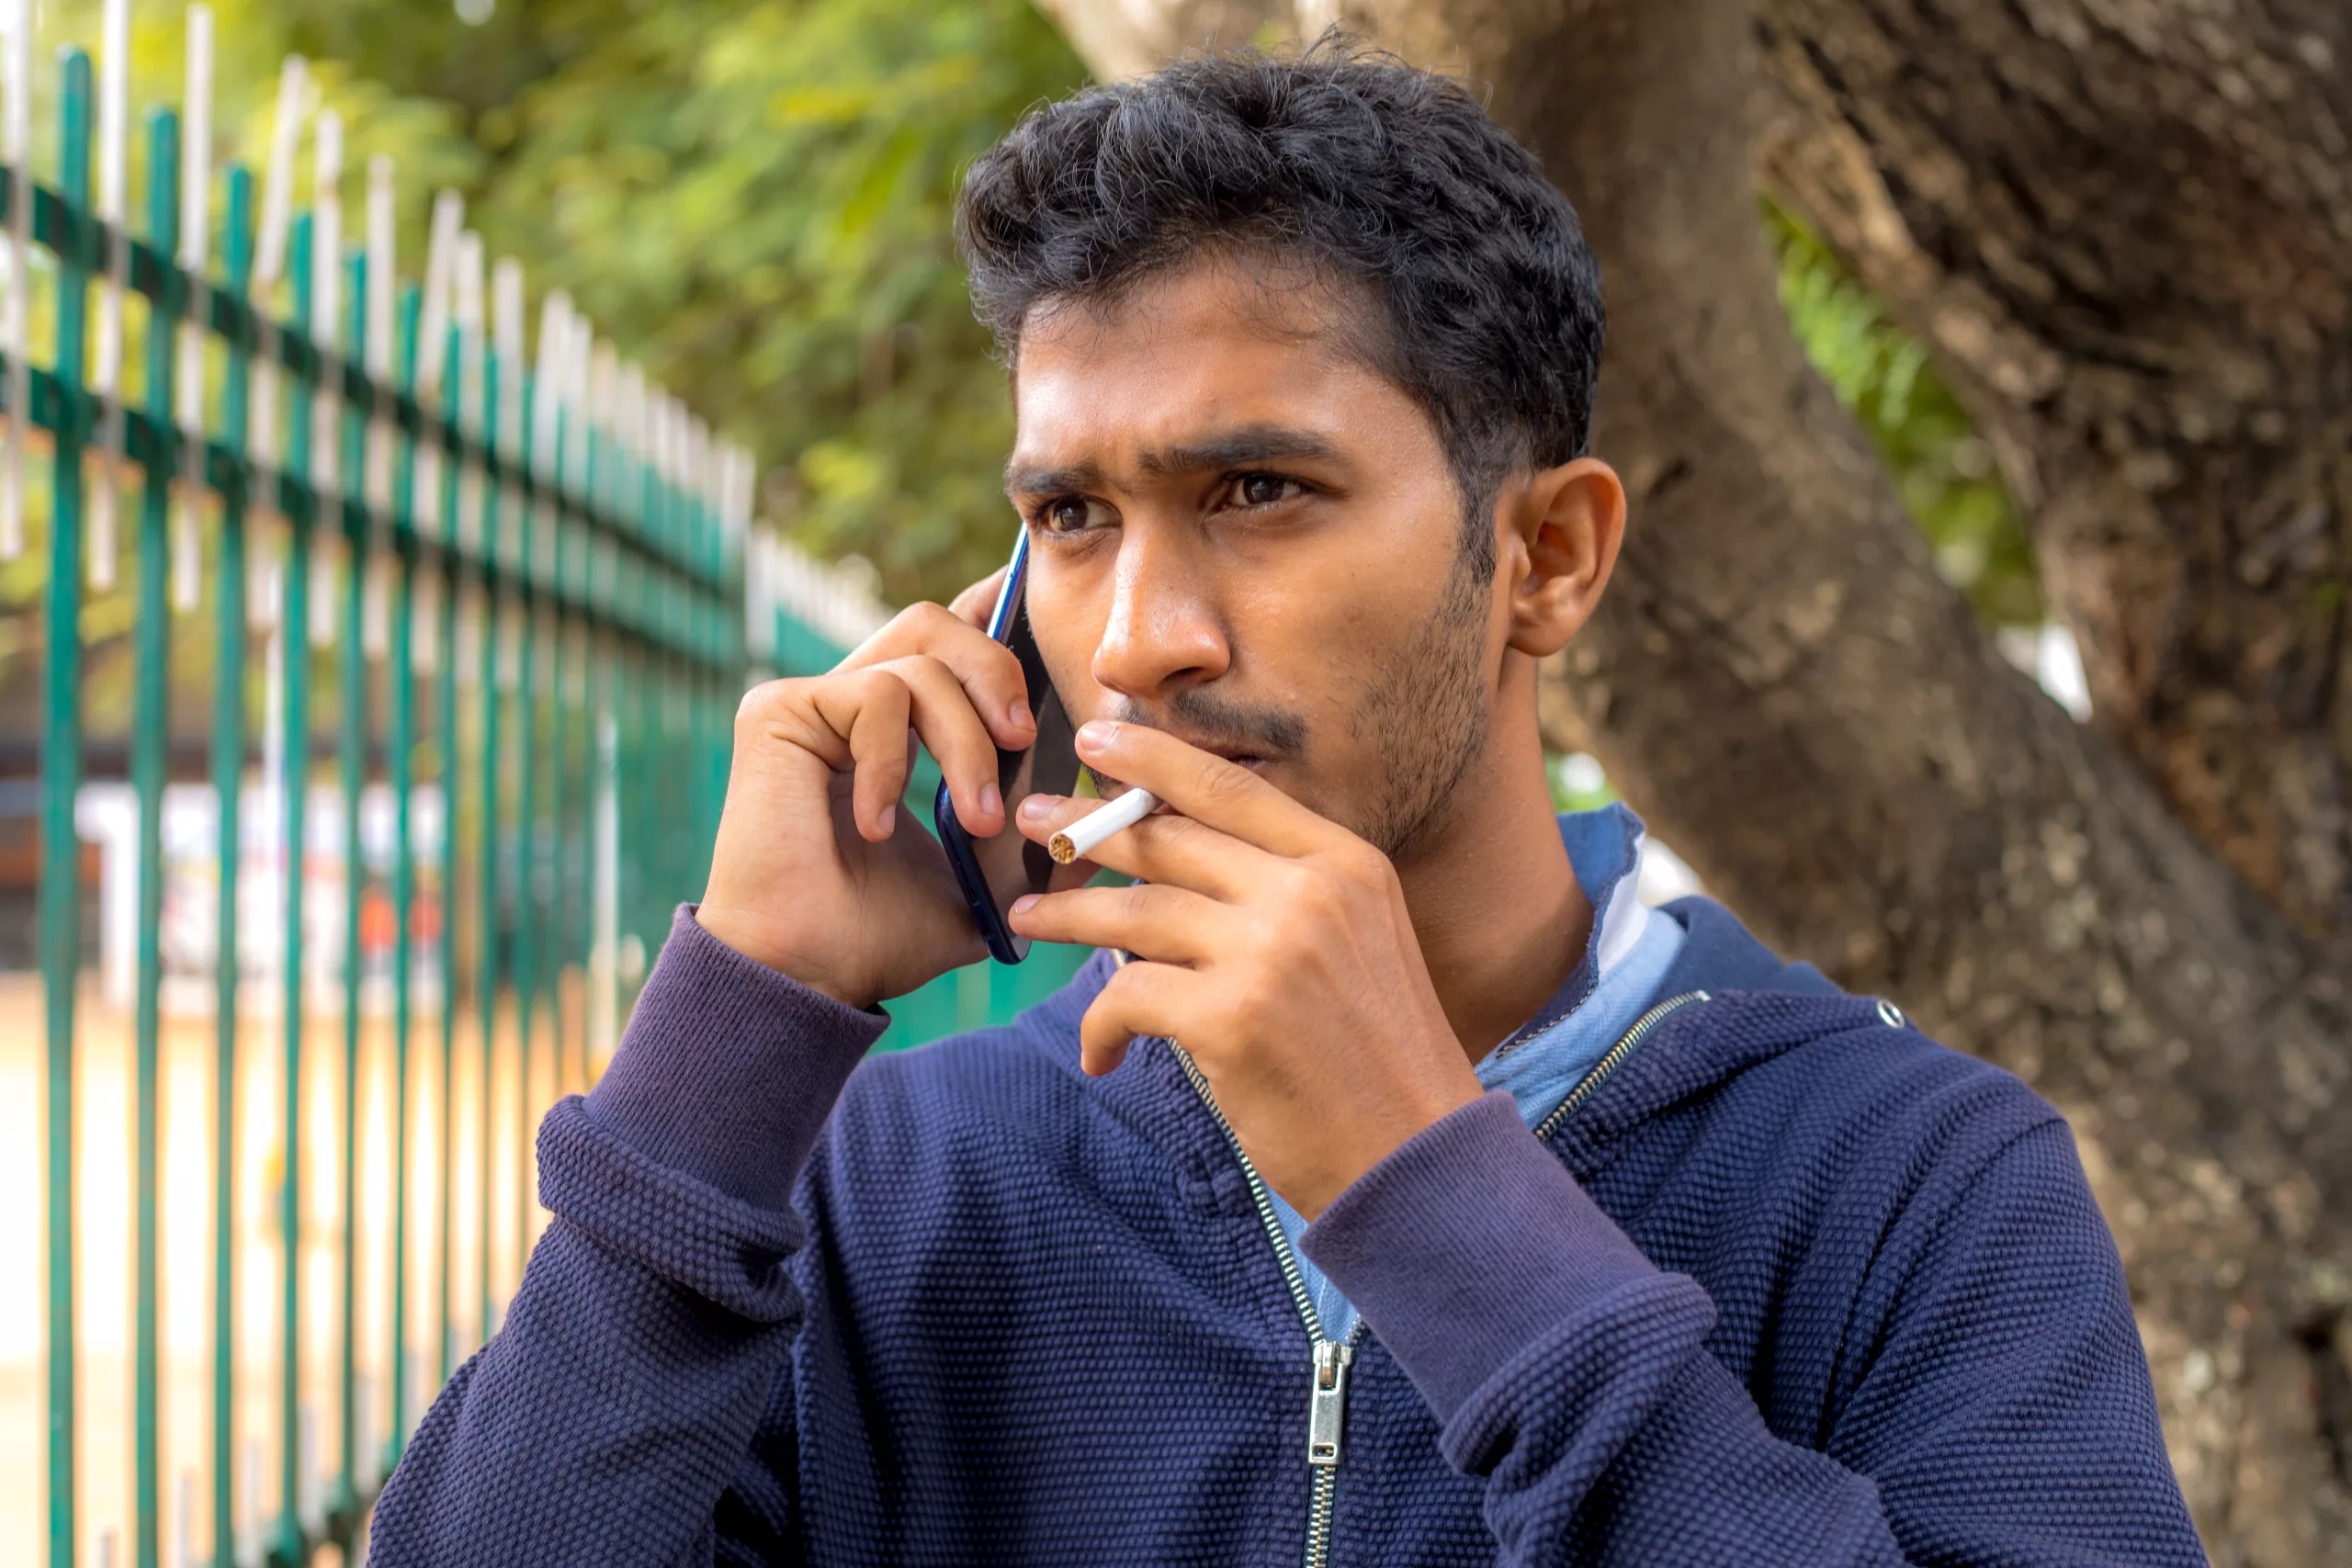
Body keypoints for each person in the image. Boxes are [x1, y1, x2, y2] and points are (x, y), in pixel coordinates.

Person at [371, 43, 2202, 1567]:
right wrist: (740, 1037)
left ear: (1544, 557)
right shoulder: (898, 1179)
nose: (1142, 642)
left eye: (1254, 488)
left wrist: (1435, 1195)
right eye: (1072, 519)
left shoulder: (1911, 1179)